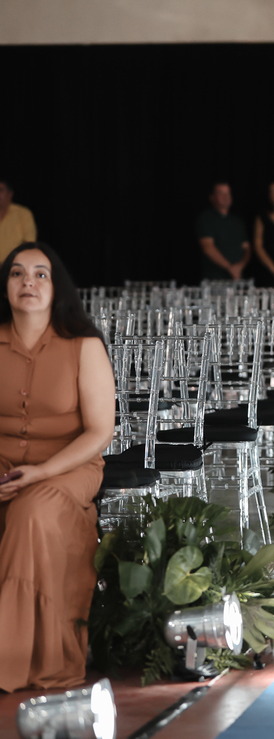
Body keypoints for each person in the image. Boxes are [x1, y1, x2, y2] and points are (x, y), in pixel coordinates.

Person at [0, 242, 114, 692]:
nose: (28, 281)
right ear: (5, 286)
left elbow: (100, 431)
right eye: (17, 273)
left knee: (31, 512)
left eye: (40, 274)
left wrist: (42, 473)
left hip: (69, 466)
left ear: (56, 287)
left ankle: (14, 660)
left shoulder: (83, 344)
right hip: (4, 465)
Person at [196, 182, 250, 280]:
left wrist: (240, 266)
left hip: (237, 279)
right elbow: (208, 247)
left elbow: (246, 248)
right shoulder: (206, 218)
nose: (226, 197)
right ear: (212, 197)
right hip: (214, 280)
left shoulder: (237, 221)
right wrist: (230, 267)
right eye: (221, 193)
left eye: (228, 193)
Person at [0, 179, 37, 263]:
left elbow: (29, 244)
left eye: (1, 190)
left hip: (14, 264)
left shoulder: (23, 214)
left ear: (10, 194)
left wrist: (11, 263)